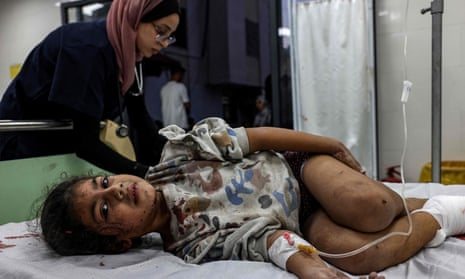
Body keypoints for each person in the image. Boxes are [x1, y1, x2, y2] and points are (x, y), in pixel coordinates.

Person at [39, 117, 465, 279]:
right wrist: (309, 267)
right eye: (106, 207)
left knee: (370, 208)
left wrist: (329, 144)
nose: (115, 188)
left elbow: (255, 136)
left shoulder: (177, 155)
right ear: (120, 243)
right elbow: (265, 240)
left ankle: (410, 206)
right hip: (300, 221)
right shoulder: (191, 247)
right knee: (357, 255)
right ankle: (445, 213)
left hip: (299, 169)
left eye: (103, 183)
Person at [0, 0, 180, 178]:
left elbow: (140, 116)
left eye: (169, 36)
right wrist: (144, 173)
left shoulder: (129, 56)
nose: (164, 43)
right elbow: (85, 142)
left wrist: (180, 151)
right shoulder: (86, 49)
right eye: (161, 31)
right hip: (21, 146)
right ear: (135, 17)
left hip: (61, 146)